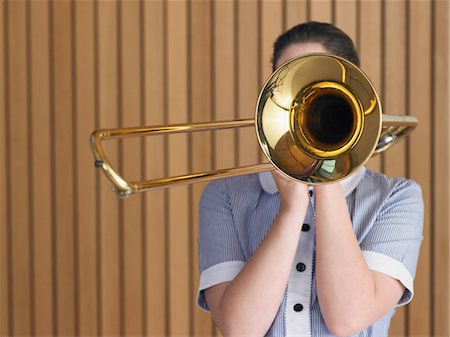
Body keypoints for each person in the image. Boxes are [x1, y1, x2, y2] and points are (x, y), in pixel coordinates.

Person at [196, 22, 423, 337]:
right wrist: (292, 208)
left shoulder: (397, 197)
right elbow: (240, 328)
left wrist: (325, 174)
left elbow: (348, 318)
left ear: (355, 95)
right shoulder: (224, 194)